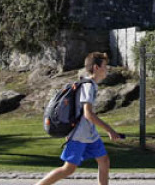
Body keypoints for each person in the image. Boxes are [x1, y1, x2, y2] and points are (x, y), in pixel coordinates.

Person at [36, 52, 122, 185]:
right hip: (80, 135)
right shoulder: (88, 86)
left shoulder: (91, 85)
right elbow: (88, 114)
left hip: (90, 134)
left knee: (104, 161)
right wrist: (109, 130)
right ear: (96, 68)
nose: (107, 69)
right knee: (68, 169)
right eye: (105, 66)